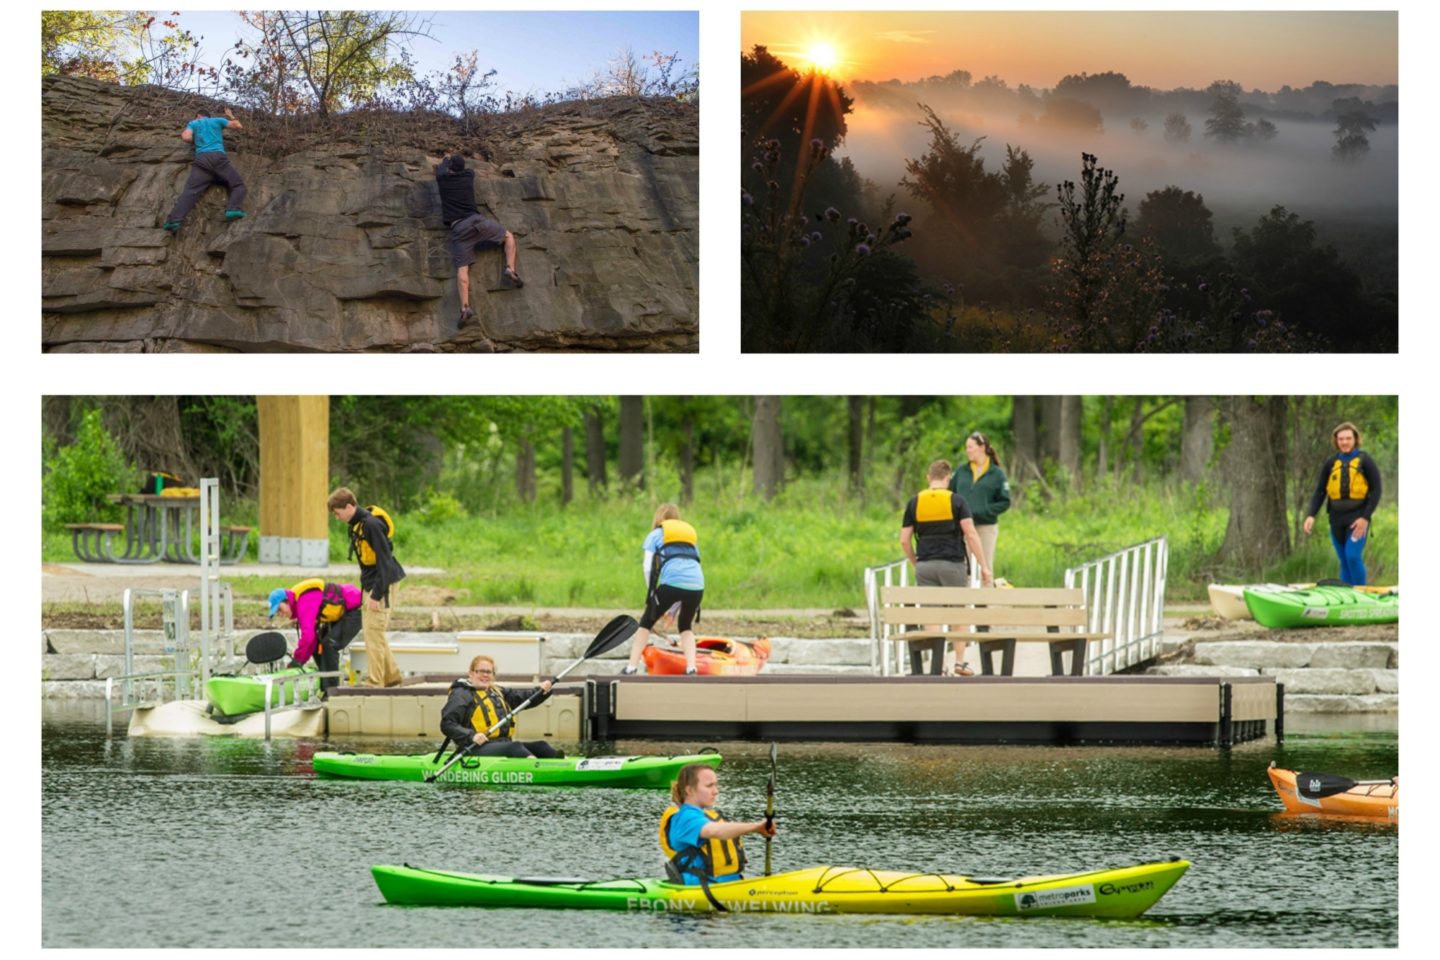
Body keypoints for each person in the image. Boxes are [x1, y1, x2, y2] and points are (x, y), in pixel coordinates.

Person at [900, 459, 993, 677]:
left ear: (928, 478)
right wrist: (984, 566)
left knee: (931, 616)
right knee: (958, 615)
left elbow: (904, 540)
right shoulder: (957, 501)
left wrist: (917, 562)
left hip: (925, 566)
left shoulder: (914, 502)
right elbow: (970, 534)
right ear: (947, 478)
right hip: (953, 565)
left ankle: (938, 666)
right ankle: (960, 663)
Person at [435, 152, 524, 328]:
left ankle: (465, 308)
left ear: (449, 168)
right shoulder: (469, 176)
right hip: (477, 222)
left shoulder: (442, 179)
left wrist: (446, 158)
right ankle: (510, 268)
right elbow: (464, 169)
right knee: (508, 236)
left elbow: (441, 168)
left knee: (462, 269)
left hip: (459, 229)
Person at [328, 488, 406, 687]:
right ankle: (392, 677)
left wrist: (376, 594)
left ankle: (375, 682)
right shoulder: (356, 525)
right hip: (370, 582)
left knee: (373, 631)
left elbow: (386, 562)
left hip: (383, 583)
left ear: (349, 506)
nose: (337, 518)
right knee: (373, 631)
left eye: (338, 513)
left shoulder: (371, 525)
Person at [658, 763, 775, 888]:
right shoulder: (686, 818)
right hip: (701, 890)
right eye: (709, 786)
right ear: (689, 790)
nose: (716, 791)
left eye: (715, 785)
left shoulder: (703, 816)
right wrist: (756, 827)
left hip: (729, 885)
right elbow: (715, 831)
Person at [623, 504, 705, 675]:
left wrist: (653, 594)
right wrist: (672, 611)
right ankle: (691, 668)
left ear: (658, 518)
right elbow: (692, 569)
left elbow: (647, 567)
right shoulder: (689, 538)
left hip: (671, 583)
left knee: (645, 624)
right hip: (697, 585)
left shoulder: (655, 535)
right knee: (685, 626)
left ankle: (631, 667)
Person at [1302, 421, 1383, 586]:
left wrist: (1365, 518)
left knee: (1352, 556)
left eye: (1348, 438)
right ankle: (1346, 598)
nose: (1344, 442)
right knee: (1344, 560)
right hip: (1336, 518)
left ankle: (1361, 594)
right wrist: (1311, 514)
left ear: (1355, 439)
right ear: (1336, 441)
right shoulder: (1331, 463)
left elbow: (1376, 490)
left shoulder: (1365, 460)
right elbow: (1320, 491)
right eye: (1341, 439)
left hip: (1358, 518)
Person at [439, 655, 561, 758]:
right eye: (481, 671)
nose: (485, 675)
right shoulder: (462, 694)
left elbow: (523, 698)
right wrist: (472, 736)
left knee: (541, 746)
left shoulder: (497, 691)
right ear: (471, 673)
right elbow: (448, 724)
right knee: (514, 747)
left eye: (489, 672)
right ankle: (535, 767)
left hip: (501, 744)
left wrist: (541, 691)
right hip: (473, 747)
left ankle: (566, 764)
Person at [267, 579, 363, 692]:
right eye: (278, 612)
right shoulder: (300, 603)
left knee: (329, 644)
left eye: (280, 609)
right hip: (342, 613)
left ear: (287, 601)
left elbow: (308, 637)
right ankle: (325, 685)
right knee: (318, 646)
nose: (281, 614)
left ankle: (332, 690)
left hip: (356, 610)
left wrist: (297, 661)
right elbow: (311, 641)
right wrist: (298, 662)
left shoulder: (304, 601)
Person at [162, 107, 247, 232]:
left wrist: (191, 137)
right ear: (208, 116)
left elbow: (186, 137)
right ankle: (233, 209)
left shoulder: (194, 123)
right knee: (238, 185)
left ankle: (173, 222)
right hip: (218, 159)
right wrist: (230, 115)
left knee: (190, 191)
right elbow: (238, 126)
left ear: (198, 116)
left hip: (201, 161)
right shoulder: (218, 120)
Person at [949, 431, 1011, 579]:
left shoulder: (997, 474)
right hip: (963, 527)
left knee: (986, 566)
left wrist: (985, 511)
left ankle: (986, 601)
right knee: (963, 566)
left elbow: (1005, 501)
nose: (967, 451)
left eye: (970, 447)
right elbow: (949, 494)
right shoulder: (961, 472)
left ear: (982, 447)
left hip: (986, 527)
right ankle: (962, 602)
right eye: (966, 447)